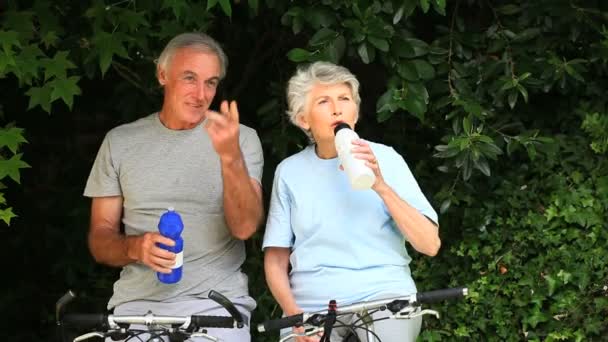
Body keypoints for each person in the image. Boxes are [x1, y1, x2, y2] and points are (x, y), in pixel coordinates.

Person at [84, 32, 264, 341]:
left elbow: (245, 228)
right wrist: (135, 247)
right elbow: (100, 239)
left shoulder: (239, 138)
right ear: (162, 75)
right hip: (137, 308)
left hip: (217, 306)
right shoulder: (120, 141)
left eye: (211, 82)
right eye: (190, 78)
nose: (201, 93)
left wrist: (231, 158)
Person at [262, 61, 441, 342]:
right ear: (302, 119)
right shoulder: (289, 172)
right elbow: (275, 260)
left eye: (344, 99)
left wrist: (380, 185)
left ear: (355, 112)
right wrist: (293, 315)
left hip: (384, 293)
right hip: (312, 302)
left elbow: (430, 244)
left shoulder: (386, 158)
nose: (337, 109)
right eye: (324, 101)